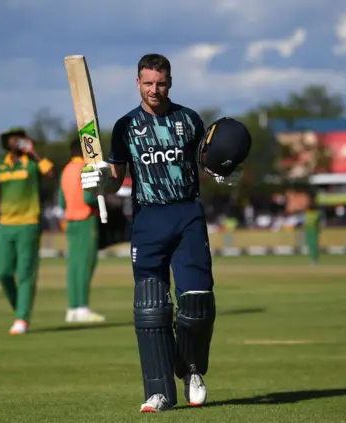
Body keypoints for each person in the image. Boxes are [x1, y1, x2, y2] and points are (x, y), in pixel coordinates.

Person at [80, 53, 250, 413]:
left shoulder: (189, 120)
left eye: (160, 83)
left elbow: (207, 164)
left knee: (198, 300)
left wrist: (224, 173)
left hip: (187, 214)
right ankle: (158, 392)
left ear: (169, 82)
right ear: (137, 83)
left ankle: (191, 370)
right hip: (148, 220)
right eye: (148, 83)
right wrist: (99, 179)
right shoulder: (125, 126)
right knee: (151, 308)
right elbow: (115, 179)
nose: (154, 89)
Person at [0, 128, 55, 335]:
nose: (19, 142)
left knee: (25, 273)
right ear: (7, 144)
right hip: (5, 225)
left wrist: (34, 153)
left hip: (28, 224)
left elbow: (50, 173)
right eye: (14, 139)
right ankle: (20, 310)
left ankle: (22, 318)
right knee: (2, 272)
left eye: (22, 138)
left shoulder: (32, 164)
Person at [58, 139, 106, 323]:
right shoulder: (87, 167)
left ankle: (73, 309)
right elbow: (88, 198)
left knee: (74, 266)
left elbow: (62, 202)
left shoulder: (66, 170)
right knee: (85, 265)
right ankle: (83, 308)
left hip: (70, 220)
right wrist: (102, 199)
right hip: (86, 219)